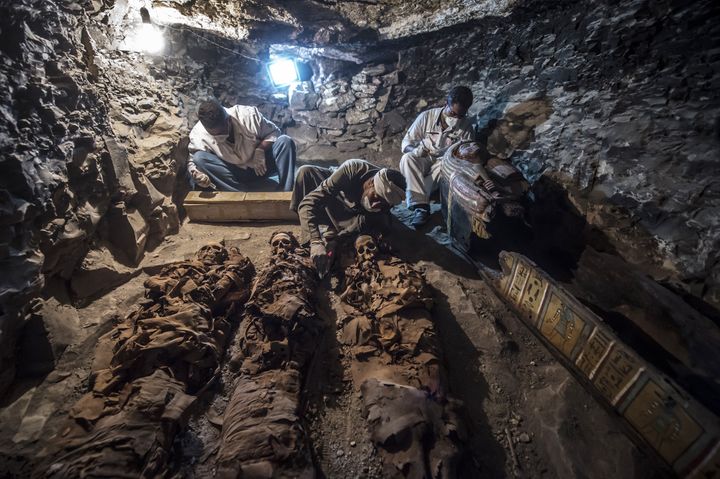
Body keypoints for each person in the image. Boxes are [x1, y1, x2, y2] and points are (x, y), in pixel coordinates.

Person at [290, 159, 406, 277]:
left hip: (356, 215)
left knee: (376, 226)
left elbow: (362, 224)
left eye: (383, 203)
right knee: (305, 172)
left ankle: (331, 230)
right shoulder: (353, 168)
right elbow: (308, 203)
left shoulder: (382, 207)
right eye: (376, 197)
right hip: (338, 196)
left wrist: (336, 241)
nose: (377, 204)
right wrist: (314, 241)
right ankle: (320, 228)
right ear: (371, 183)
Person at [400, 86, 475, 226]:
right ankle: (421, 204)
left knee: (443, 168)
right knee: (407, 158)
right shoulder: (427, 117)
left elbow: (465, 158)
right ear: (446, 103)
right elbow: (406, 143)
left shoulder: (466, 128)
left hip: (442, 166)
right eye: (453, 113)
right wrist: (416, 150)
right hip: (424, 159)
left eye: (460, 115)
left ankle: (420, 205)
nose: (456, 118)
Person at [187, 99, 296, 191]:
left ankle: (285, 191)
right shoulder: (198, 133)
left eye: (222, 131)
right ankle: (239, 193)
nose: (221, 136)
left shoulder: (248, 116)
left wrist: (261, 149)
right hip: (234, 173)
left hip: (261, 167)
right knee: (199, 158)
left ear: (228, 120)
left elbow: (275, 132)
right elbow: (192, 161)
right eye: (215, 135)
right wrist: (197, 175)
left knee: (285, 141)